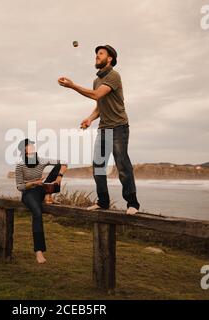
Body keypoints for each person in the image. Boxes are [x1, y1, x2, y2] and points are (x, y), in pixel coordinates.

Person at [58, 44, 140, 215]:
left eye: (100, 53)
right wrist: (89, 119)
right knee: (98, 166)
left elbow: (97, 95)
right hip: (104, 128)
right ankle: (103, 202)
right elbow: (100, 105)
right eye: (96, 53)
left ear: (109, 58)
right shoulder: (96, 81)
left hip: (119, 128)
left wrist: (72, 86)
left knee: (122, 165)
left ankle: (132, 204)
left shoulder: (114, 76)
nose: (97, 56)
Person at [15, 138, 68, 264]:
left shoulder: (41, 160)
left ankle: (47, 194)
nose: (33, 147)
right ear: (24, 150)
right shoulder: (20, 165)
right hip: (28, 193)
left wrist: (59, 176)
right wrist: (34, 183)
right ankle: (39, 251)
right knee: (37, 214)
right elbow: (19, 186)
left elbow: (64, 162)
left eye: (33, 145)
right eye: (29, 145)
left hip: (41, 189)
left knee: (58, 166)